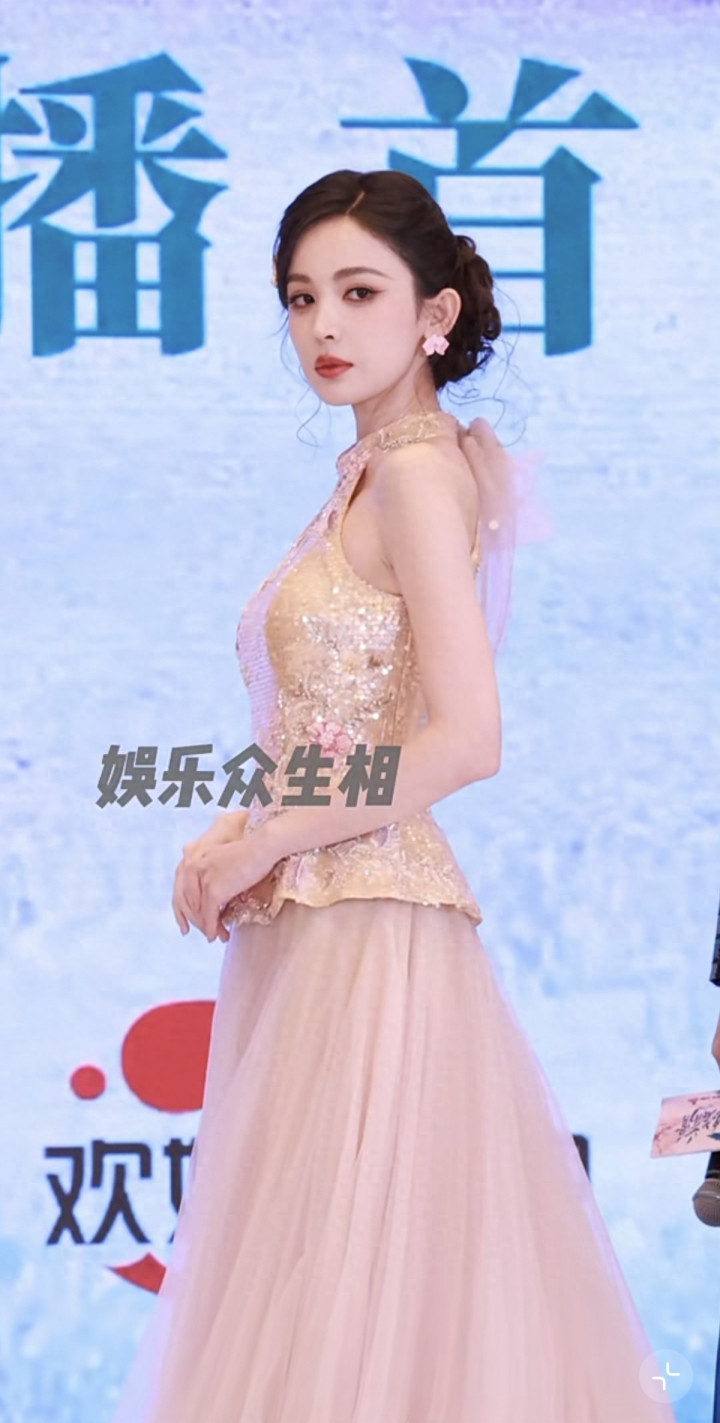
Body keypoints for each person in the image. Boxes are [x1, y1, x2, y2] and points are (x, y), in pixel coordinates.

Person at [108, 169, 678, 1422]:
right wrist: (244, 827)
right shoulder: (369, 472)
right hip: (314, 917)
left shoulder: (419, 472)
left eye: (359, 293)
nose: (323, 324)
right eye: (301, 296)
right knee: (319, 1300)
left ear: (435, 313)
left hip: (368, 927)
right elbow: (332, 722)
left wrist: (269, 839)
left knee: (354, 1312)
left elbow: (467, 738)